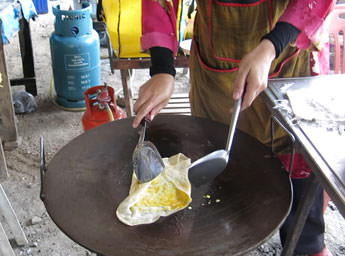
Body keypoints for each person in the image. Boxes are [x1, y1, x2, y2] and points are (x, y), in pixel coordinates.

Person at [133, 0, 336, 255]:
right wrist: (162, 69)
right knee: (219, 171)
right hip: (216, 66)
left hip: (289, 54)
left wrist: (272, 44)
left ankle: (305, 245)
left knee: (297, 178)